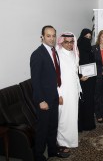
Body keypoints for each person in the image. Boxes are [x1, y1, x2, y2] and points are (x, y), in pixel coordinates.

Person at [30, 25, 64, 160]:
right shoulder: (37, 54)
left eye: (53, 35)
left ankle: (52, 151)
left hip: (53, 96)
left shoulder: (53, 51)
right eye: (48, 36)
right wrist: (40, 100)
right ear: (42, 37)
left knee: (53, 127)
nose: (51, 38)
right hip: (44, 99)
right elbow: (35, 80)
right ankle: (38, 156)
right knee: (42, 129)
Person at [56, 32, 81, 152]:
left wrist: (81, 78)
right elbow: (56, 77)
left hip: (74, 90)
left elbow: (73, 73)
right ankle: (62, 142)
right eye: (66, 42)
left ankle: (71, 140)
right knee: (64, 117)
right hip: (63, 91)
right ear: (61, 42)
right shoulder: (57, 55)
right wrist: (59, 94)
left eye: (71, 41)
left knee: (72, 116)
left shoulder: (74, 53)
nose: (69, 44)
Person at [77, 28, 96, 132]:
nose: (87, 39)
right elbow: (75, 66)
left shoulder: (90, 49)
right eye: (86, 37)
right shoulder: (76, 50)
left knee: (90, 102)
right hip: (82, 81)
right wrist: (80, 76)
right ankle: (82, 124)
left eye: (89, 37)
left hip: (91, 80)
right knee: (83, 103)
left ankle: (89, 123)